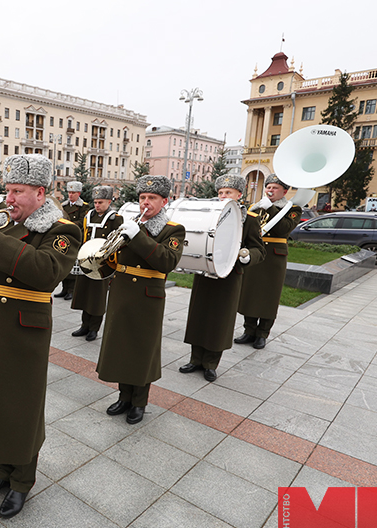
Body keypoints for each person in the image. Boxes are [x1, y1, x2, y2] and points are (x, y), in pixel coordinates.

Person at [0, 154, 80, 519]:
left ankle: (22, 480)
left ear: (40, 193)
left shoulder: (60, 229)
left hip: (23, 329)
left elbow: (45, 271)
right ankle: (3, 469)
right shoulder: (6, 222)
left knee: (19, 406)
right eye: (7, 190)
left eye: (18, 191)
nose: (9, 198)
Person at [98, 175, 185, 425]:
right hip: (122, 290)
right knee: (122, 346)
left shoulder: (173, 229)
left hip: (148, 295)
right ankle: (124, 396)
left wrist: (138, 236)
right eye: (142, 198)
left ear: (164, 201)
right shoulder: (132, 224)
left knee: (141, 350)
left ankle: (139, 402)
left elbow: (166, 261)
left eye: (152, 198)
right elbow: (113, 255)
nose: (146, 202)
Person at [179, 175, 265, 382]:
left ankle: (210, 363)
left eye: (228, 193)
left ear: (239, 195)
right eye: (220, 193)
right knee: (199, 317)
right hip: (205, 274)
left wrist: (246, 255)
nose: (223, 196)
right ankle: (195, 359)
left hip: (229, 277)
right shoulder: (211, 214)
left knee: (219, 321)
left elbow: (259, 250)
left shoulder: (249, 220)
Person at [235, 174, 302, 349]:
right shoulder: (256, 207)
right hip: (255, 253)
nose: (270, 190)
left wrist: (271, 209)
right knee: (250, 293)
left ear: (285, 191)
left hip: (274, 257)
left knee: (269, 296)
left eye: (274, 188)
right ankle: (249, 331)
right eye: (268, 187)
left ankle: (262, 333)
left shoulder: (293, 209)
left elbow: (283, 228)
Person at [71, 185, 122, 342]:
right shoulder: (89, 215)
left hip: (103, 263)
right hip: (87, 259)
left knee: (97, 296)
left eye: (100, 202)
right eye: (95, 202)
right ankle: (84, 325)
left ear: (108, 201)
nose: (97, 205)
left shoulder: (116, 218)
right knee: (85, 293)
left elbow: (118, 242)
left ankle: (94, 328)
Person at [56, 181, 88, 300]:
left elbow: (82, 221)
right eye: (69, 192)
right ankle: (64, 289)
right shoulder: (64, 205)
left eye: (73, 192)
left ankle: (71, 290)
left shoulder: (83, 206)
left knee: (73, 264)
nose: (70, 195)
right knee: (64, 262)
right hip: (65, 236)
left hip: (75, 236)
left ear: (78, 193)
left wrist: (68, 225)